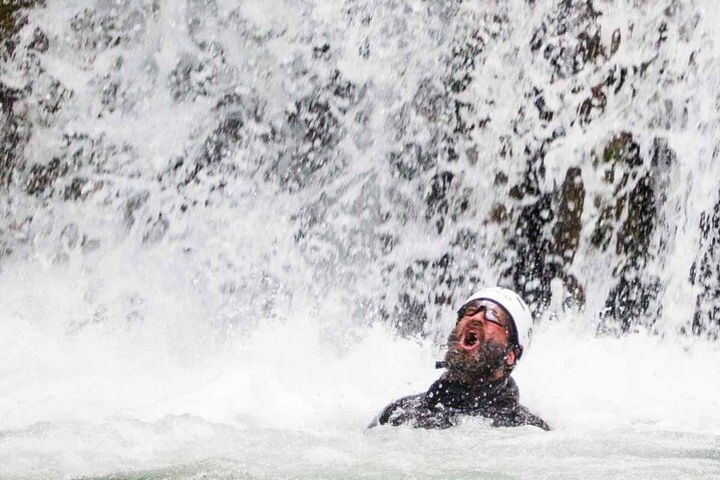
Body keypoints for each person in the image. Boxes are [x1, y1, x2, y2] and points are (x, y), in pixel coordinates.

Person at [370, 286, 550, 430]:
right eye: (470, 311)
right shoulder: (399, 414)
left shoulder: (527, 430)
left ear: (510, 355)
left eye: (493, 316)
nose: (477, 318)